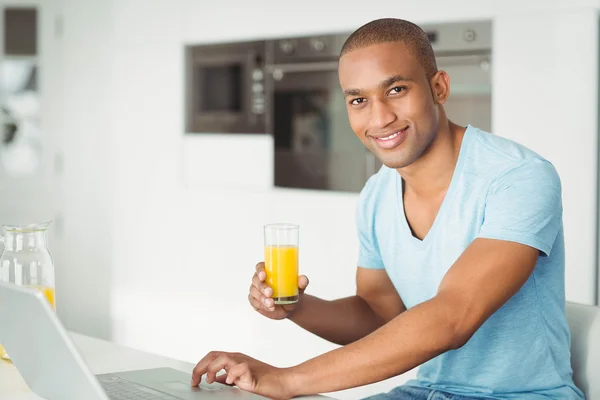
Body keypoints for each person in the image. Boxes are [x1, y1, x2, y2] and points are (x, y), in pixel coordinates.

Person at [190, 18, 584, 400]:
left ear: (439, 87)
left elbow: (453, 315)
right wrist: (295, 305)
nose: (379, 118)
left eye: (396, 90)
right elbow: (378, 313)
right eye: (359, 100)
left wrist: (288, 379)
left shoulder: (518, 177)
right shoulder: (377, 195)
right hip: (423, 392)